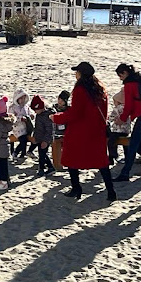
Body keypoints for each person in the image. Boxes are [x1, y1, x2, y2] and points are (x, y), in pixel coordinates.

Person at [51, 62, 117, 202]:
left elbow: (75, 113)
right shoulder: (100, 88)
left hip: (80, 131)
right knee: (101, 161)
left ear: (81, 74)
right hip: (97, 130)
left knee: (71, 158)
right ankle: (111, 191)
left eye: (77, 72)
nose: (75, 74)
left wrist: (56, 117)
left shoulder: (81, 90)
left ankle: (76, 188)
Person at [113, 64, 141, 182]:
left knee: (133, 145)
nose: (120, 78)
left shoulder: (129, 85)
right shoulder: (140, 81)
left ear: (125, 73)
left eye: (120, 75)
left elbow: (129, 106)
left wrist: (122, 119)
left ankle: (125, 173)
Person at [30, 95, 56, 176]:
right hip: (39, 137)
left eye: (36, 110)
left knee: (42, 154)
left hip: (45, 139)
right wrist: (35, 136)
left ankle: (42, 168)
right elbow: (37, 127)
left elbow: (49, 130)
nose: (35, 112)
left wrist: (45, 141)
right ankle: (49, 167)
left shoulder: (47, 116)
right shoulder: (39, 115)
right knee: (42, 154)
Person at [9, 88, 34, 161]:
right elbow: (11, 118)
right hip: (17, 128)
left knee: (30, 137)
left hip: (26, 127)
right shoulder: (13, 107)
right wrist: (20, 118)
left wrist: (32, 115)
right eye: (21, 98)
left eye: (24, 98)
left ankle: (23, 153)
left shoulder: (26, 107)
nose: (22, 100)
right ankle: (15, 152)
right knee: (23, 140)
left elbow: (30, 112)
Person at [107, 89, 130, 166]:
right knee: (126, 145)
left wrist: (108, 120)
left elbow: (111, 118)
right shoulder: (128, 108)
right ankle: (127, 157)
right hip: (126, 130)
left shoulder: (117, 108)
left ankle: (113, 156)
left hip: (117, 130)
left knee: (111, 142)